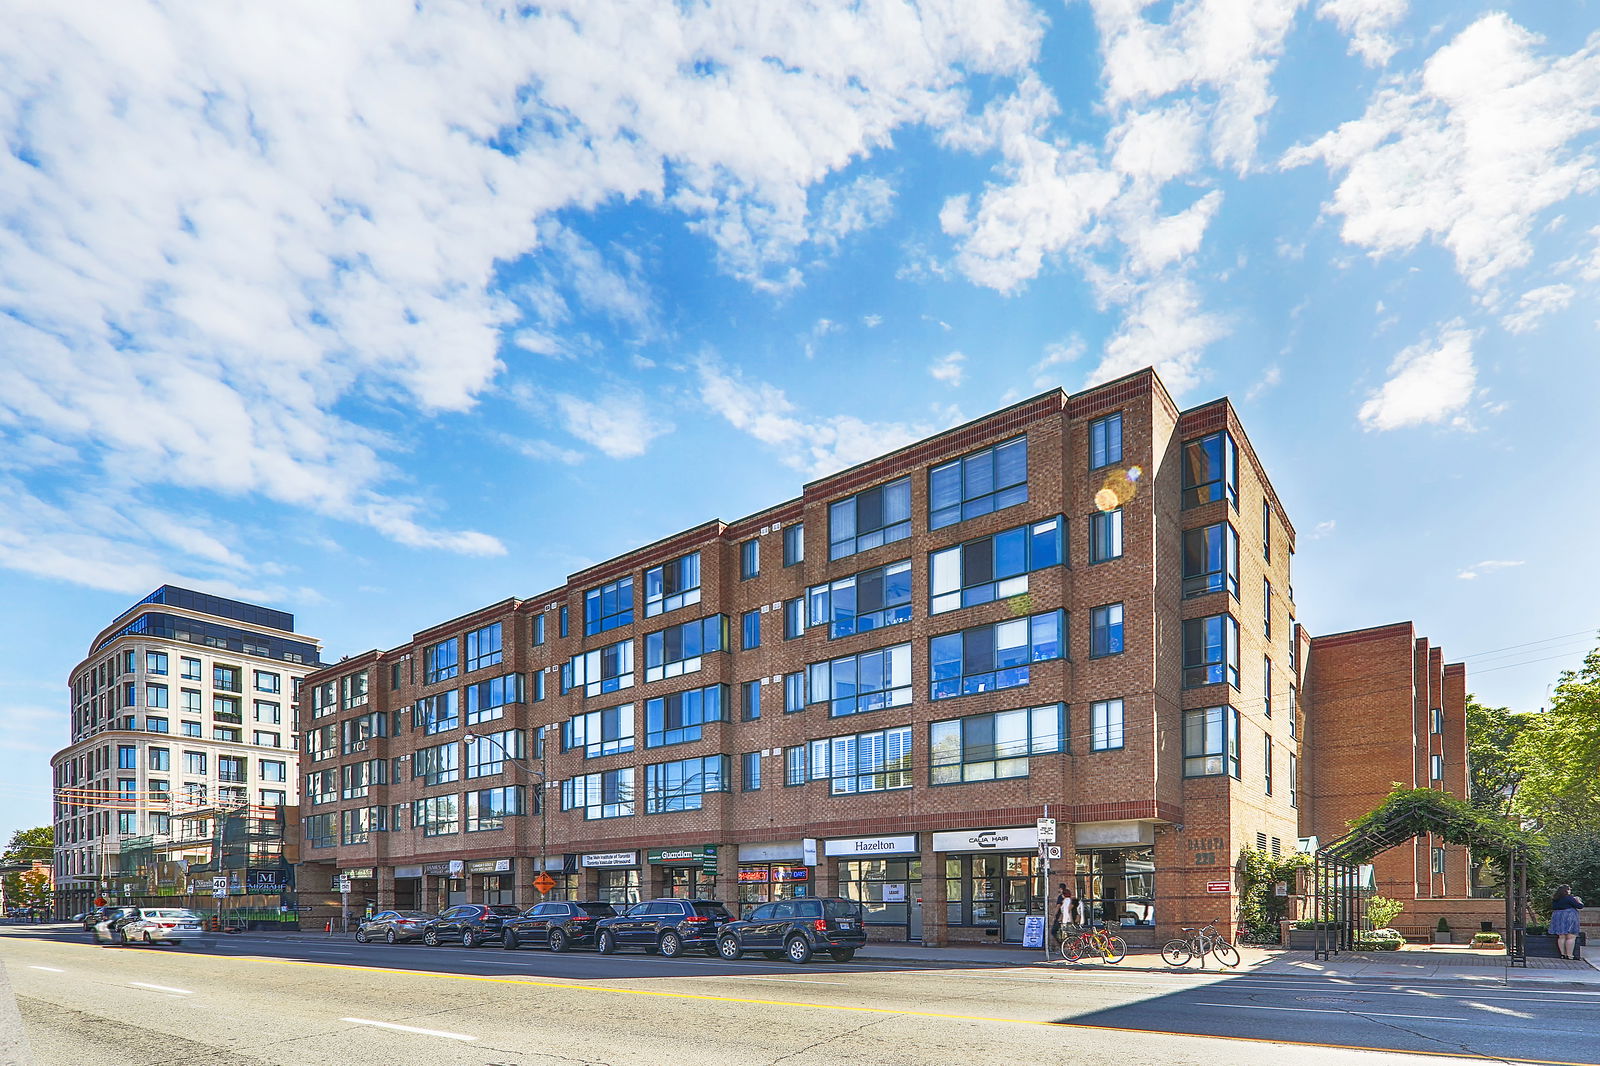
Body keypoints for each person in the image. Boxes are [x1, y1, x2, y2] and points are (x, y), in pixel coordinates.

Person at [1551, 884, 1584, 960]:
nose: (1570, 891)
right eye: (1569, 889)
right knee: (1571, 937)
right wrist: (1578, 900)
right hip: (1570, 917)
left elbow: (1554, 907)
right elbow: (1580, 906)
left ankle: (1563, 954)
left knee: (1561, 936)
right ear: (1566, 890)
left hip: (1558, 917)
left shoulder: (1555, 899)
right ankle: (1570, 955)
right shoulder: (1569, 898)